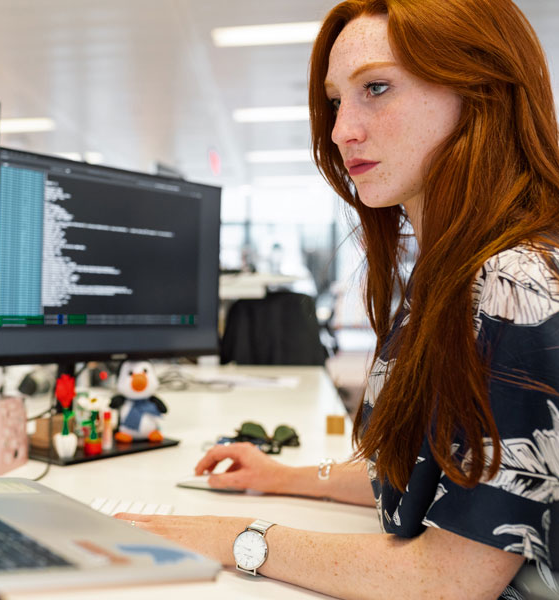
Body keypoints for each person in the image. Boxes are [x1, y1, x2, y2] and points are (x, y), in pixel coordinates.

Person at [115, 0, 559, 597]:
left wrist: (232, 538)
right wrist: (286, 477)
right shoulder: (450, 275)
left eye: (376, 87)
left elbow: (452, 577)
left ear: (480, 91)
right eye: (335, 100)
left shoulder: (516, 284)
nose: (340, 129)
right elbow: (438, 474)